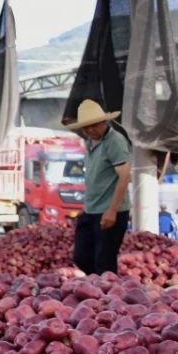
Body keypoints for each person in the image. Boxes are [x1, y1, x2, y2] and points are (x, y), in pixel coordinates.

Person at [64, 99, 131, 274]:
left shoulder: (114, 141)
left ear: (104, 122)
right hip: (91, 210)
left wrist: (112, 211)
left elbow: (124, 177)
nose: (90, 130)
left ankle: (107, 296)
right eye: (86, 128)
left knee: (105, 261)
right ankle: (98, 289)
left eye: (94, 126)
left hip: (110, 211)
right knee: (81, 257)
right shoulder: (90, 142)